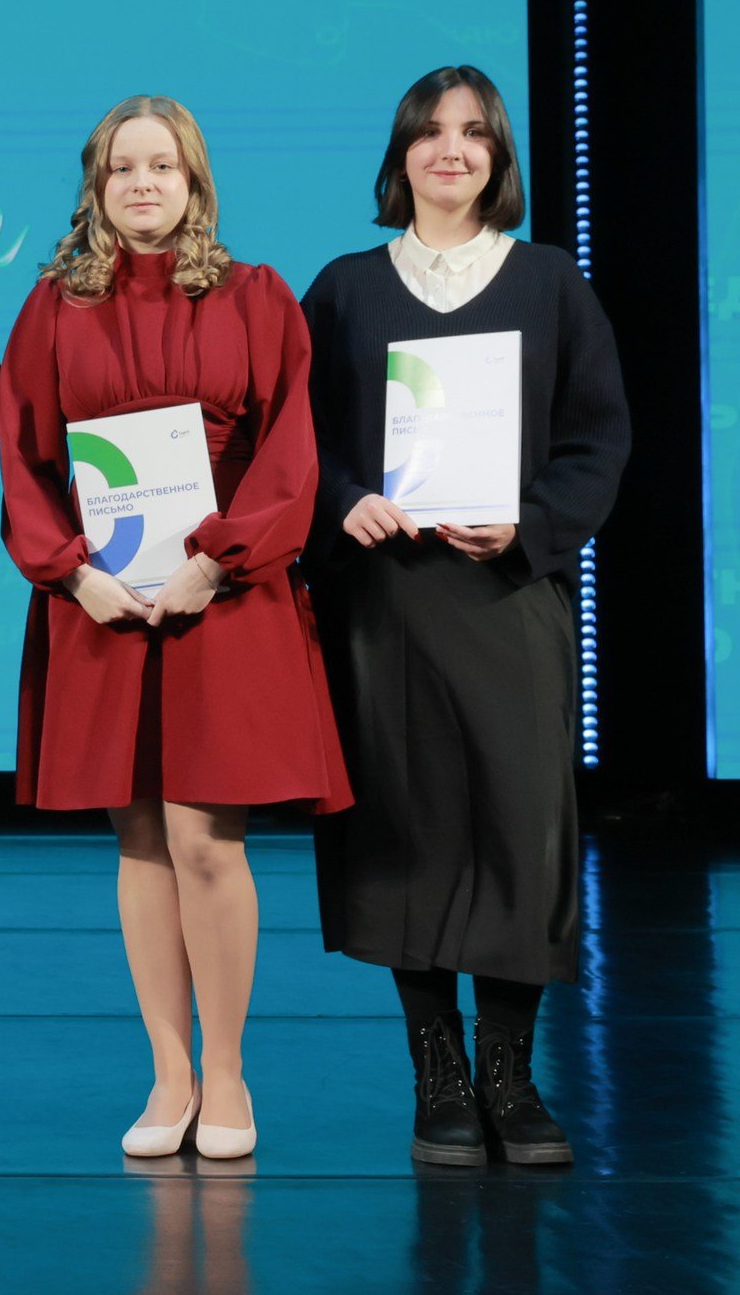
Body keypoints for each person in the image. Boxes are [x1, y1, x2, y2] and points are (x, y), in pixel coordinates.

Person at [0, 95, 351, 1162]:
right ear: (96, 187)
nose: (142, 183)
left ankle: (228, 1070)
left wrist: (215, 561)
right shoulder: (54, 306)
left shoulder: (255, 295)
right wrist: (72, 574)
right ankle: (168, 1070)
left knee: (206, 836)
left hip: (224, 595)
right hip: (104, 603)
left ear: (195, 181)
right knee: (140, 839)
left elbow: (291, 452)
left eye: (162, 166)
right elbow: (23, 455)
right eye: (122, 168)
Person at [303, 65, 629, 1166]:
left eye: (476, 132)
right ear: (400, 154)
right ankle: (437, 1075)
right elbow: (298, 441)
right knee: (407, 828)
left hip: (510, 595)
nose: (453, 149)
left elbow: (598, 439)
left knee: (517, 828)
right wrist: (343, 500)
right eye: (431, 131)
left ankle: (511, 1076)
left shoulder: (548, 282)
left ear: (499, 156)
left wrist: (529, 525)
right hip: (384, 604)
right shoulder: (346, 288)